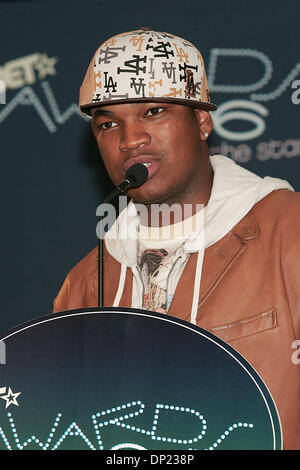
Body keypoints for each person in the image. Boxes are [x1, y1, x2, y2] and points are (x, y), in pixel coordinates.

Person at [53, 28, 300, 449]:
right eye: (109, 123)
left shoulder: (289, 230)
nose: (131, 140)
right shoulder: (85, 284)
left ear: (202, 120)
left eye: (154, 112)